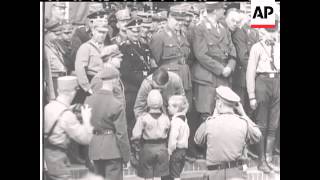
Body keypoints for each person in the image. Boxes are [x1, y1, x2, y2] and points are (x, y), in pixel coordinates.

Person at [194, 86, 261, 180]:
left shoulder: (209, 123)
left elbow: (197, 140)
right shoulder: (243, 122)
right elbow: (257, 136)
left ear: (219, 104)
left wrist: (213, 116)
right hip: (237, 174)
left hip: (215, 175)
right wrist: (244, 114)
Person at [191, 2, 237, 122]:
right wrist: (221, 69)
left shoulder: (223, 27)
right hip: (207, 79)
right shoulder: (199, 27)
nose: (223, 11)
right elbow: (200, 55)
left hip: (224, 78)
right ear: (215, 10)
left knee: (224, 114)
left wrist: (230, 67)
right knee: (206, 116)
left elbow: (232, 50)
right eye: (222, 8)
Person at [84, 67, 130, 180]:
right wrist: (126, 157)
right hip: (113, 150)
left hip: (95, 149)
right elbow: (121, 134)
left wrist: (89, 152)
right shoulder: (116, 104)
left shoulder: (88, 101)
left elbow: (86, 128)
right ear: (115, 81)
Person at [246, 21, 280, 174]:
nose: (271, 34)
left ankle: (269, 158)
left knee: (273, 124)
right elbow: (250, 72)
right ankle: (261, 160)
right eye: (268, 30)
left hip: (277, 82)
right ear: (263, 31)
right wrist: (252, 95)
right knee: (261, 124)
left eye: (274, 30)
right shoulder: (257, 47)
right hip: (262, 82)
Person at [44, 76, 93, 180]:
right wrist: (86, 119)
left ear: (58, 90)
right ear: (73, 92)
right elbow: (85, 139)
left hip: (46, 157)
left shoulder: (47, 107)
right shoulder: (67, 115)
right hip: (59, 161)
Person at [149, 4, 193, 107]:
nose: (180, 23)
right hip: (169, 79)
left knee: (185, 106)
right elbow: (157, 61)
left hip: (185, 76)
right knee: (170, 106)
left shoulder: (185, 35)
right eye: (176, 19)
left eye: (182, 20)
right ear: (169, 17)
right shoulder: (159, 36)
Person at [119, 17, 155, 140]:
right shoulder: (123, 48)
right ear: (127, 31)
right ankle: (131, 147)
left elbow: (152, 66)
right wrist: (146, 80)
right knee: (132, 119)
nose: (136, 34)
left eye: (138, 31)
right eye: (133, 31)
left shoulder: (145, 46)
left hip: (147, 88)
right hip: (132, 89)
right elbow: (126, 72)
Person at [131, 89, 171, 180]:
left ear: (148, 102)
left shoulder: (143, 118)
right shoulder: (166, 118)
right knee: (159, 176)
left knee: (148, 176)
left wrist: (137, 149)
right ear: (161, 102)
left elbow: (136, 135)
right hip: (162, 148)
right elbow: (169, 132)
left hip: (147, 148)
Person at [229, 10, 259, 117]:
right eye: (250, 16)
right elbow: (242, 56)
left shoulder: (254, 32)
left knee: (251, 110)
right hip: (242, 77)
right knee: (240, 108)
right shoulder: (239, 32)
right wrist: (255, 71)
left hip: (251, 77)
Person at [74, 19, 109, 104]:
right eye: (99, 32)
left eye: (104, 33)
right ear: (93, 31)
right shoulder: (86, 47)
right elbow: (80, 69)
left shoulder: (107, 48)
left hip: (105, 84)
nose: (101, 35)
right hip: (91, 82)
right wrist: (87, 88)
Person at [70, 4, 112, 72]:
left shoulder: (105, 33)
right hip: (88, 72)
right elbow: (76, 58)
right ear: (90, 20)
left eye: (103, 18)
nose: (102, 22)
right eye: (98, 19)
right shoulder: (80, 33)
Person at [44, 20, 70, 101]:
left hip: (61, 78)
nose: (58, 37)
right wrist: (51, 94)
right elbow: (47, 73)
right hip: (53, 80)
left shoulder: (54, 44)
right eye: (56, 34)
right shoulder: (44, 48)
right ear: (47, 33)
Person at [167, 95, 190, 180]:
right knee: (176, 173)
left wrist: (169, 151)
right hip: (183, 151)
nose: (168, 108)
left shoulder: (175, 122)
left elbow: (173, 139)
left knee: (175, 175)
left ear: (176, 108)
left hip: (176, 152)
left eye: (169, 106)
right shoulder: (184, 120)